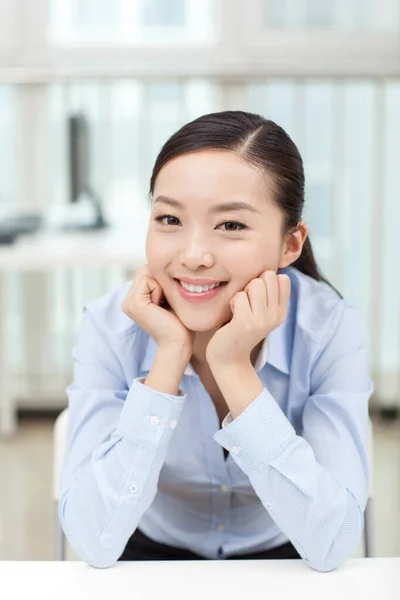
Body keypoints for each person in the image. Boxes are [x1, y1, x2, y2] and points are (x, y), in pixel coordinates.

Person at [59, 111, 373, 571]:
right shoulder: (111, 328)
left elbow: (329, 543)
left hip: (287, 553)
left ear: (291, 243)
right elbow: (95, 539)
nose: (193, 256)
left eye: (230, 225)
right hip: (146, 553)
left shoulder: (329, 329)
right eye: (169, 218)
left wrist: (234, 368)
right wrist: (168, 358)